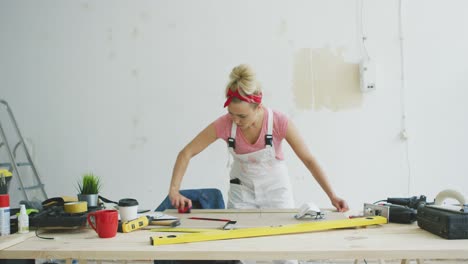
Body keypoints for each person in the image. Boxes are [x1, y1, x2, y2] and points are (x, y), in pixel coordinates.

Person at [168, 64, 348, 213]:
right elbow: (186, 153)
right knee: (241, 252)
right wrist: (174, 190)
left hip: (276, 191)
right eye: (231, 113)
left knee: (283, 249)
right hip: (242, 193)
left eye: (242, 116)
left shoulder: (279, 122)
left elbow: (309, 160)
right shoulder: (224, 124)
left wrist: (332, 196)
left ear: (258, 107)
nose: (236, 121)